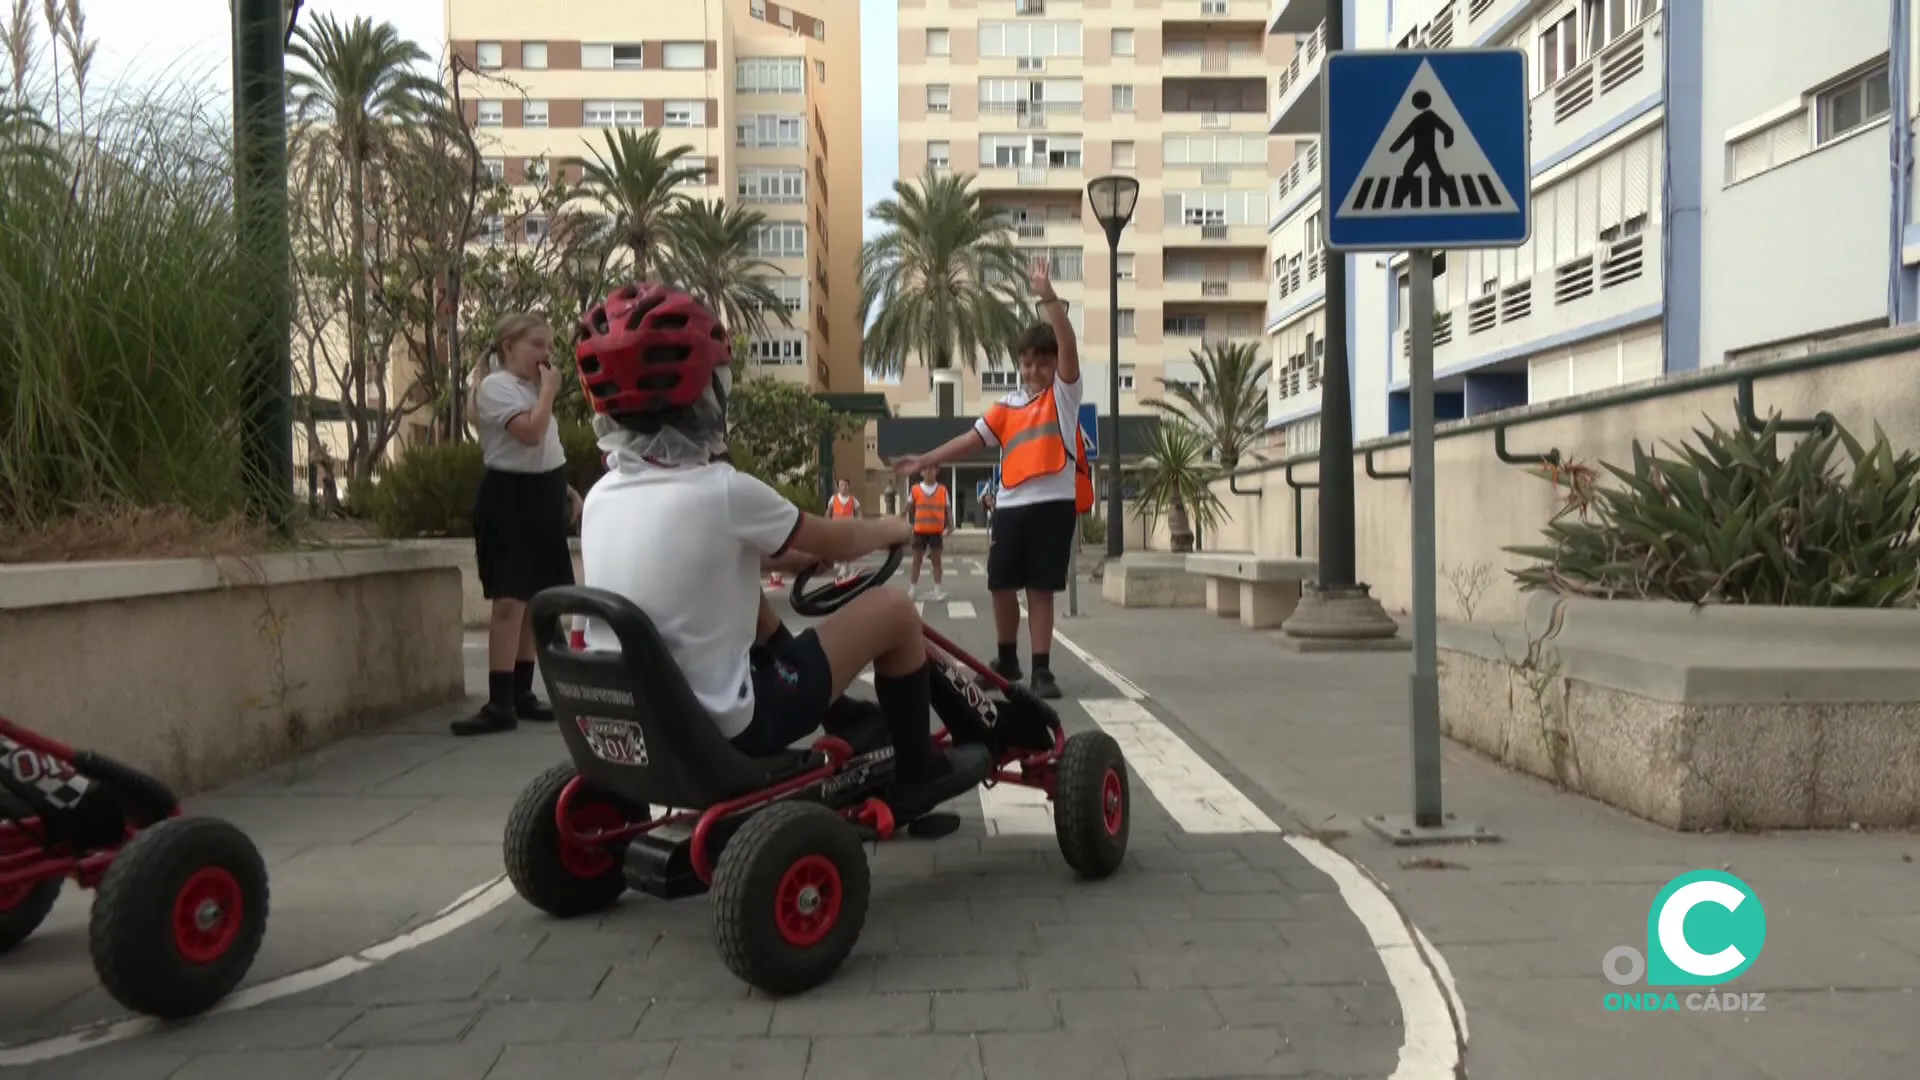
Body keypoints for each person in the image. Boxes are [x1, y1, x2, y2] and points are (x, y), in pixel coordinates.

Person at [574, 283, 990, 819]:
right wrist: (892, 527)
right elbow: (836, 539)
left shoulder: (601, 496)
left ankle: (843, 715)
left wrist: (791, 559)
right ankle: (917, 772)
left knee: (749, 599)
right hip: (734, 722)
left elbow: (697, 558)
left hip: (638, 719)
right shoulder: (723, 490)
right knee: (895, 613)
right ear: (708, 397)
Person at [893, 264, 1079, 699]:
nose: (1034, 371)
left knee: (1040, 588)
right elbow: (967, 441)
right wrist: (924, 458)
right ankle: (1007, 658)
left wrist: (1047, 296)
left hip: (1053, 504)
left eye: (1043, 363)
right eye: (1027, 363)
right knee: (1000, 583)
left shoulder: (1064, 396)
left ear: (1055, 366)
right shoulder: (1006, 407)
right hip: (1011, 507)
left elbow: (1067, 342)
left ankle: (1042, 669)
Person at [454, 313, 586, 737]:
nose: (546, 355)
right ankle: (499, 700)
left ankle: (523, 693)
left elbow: (546, 447)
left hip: (543, 494)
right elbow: (529, 433)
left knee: (535, 600)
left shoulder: (531, 389)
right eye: (536, 345)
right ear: (509, 347)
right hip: (509, 498)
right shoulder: (497, 388)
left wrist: (565, 489)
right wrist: (547, 393)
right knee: (510, 601)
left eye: (549, 347)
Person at [904, 466, 951, 601]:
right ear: (921, 472)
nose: (929, 472)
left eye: (932, 469)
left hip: (936, 532)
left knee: (937, 561)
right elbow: (907, 507)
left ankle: (937, 590)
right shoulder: (915, 489)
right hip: (919, 531)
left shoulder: (942, 490)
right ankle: (912, 590)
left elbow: (947, 509)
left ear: (937, 471)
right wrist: (900, 519)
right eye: (926, 469)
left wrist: (951, 526)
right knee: (916, 561)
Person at [826, 478, 861, 583]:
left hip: (848, 527)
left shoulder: (852, 499)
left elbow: (859, 511)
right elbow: (828, 511)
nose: (844, 487)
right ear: (838, 487)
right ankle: (843, 567)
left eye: (845, 485)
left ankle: (848, 566)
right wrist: (826, 523)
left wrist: (860, 522)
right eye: (841, 485)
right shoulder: (834, 498)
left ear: (848, 486)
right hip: (836, 527)